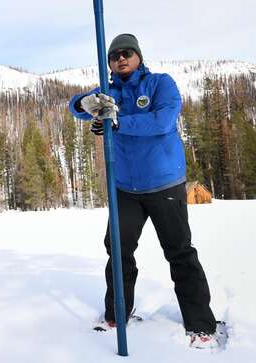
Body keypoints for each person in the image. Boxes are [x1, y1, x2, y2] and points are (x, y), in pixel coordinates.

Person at [68, 34, 219, 349]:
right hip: (125, 186)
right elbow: (79, 107)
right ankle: (117, 314)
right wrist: (85, 105)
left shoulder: (160, 84)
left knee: (179, 251)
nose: (121, 58)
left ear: (138, 56)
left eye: (127, 53)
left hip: (164, 183)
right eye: (115, 55)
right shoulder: (109, 93)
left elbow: (163, 121)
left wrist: (119, 121)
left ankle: (201, 323)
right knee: (118, 250)